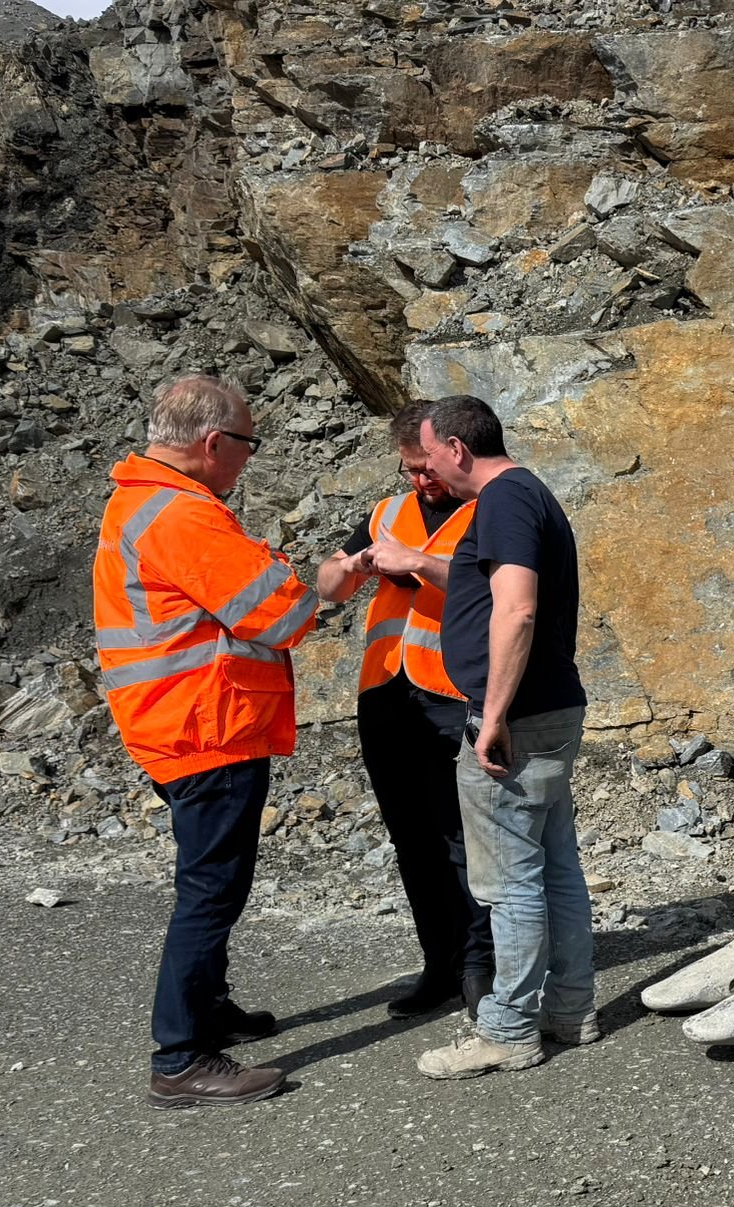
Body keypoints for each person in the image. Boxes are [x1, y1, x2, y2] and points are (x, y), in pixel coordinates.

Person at [93, 375, 317, 1110]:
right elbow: (282, 615)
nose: (249, 458)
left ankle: (208, 1009)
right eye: (248, 444)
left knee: (211, 882)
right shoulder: (182, 512)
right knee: (211, 891)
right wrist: (309, 578)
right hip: (205, 726)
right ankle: (181, 1056)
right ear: (215, 442)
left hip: (179, 721)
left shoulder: (143, 499)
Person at [410, 395, 597, 1079]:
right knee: (556, 866)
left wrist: (491, 717)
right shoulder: (528, 494)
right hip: (548, 710)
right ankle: (571, 1009)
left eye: (430, 456)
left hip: (516, 721)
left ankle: (510, 1028)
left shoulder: (504, 500)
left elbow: (516, 611)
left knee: (510, 882)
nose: (428, 471)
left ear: (457, 448)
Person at [316, 402, 494, 1019]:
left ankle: (481, 968)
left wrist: (417, 564)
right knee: (413, 838)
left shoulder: (489, 507)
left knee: (464, 839)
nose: (420, 480)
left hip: (451, 693)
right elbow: (328, 587)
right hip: (386, 693)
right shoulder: (387, 513)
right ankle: (439, 965)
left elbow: (498, 588)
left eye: (427, 468)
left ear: (451, 451)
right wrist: (351, 566)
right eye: (409, 469)